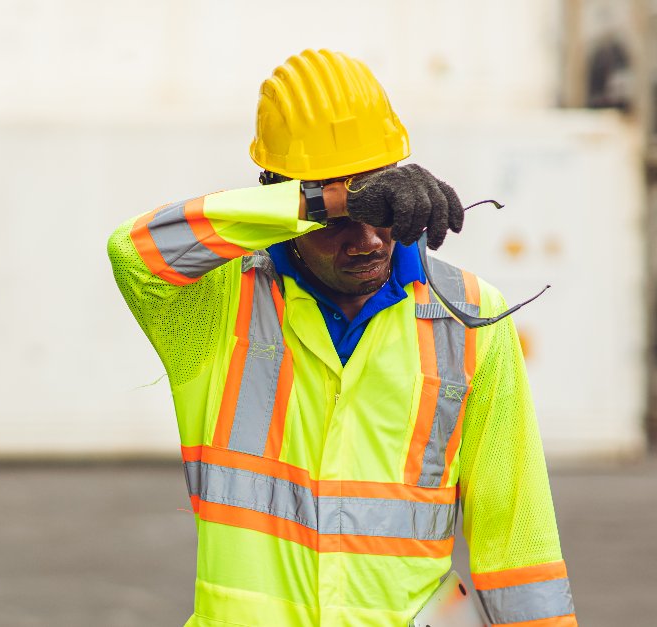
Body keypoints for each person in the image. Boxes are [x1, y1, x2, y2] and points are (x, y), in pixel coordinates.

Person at [107, 49, 577, 627]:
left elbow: (517, 536)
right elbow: (132, 251)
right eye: (339, 219)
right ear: (282, 200)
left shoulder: (471, 315)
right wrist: (323, 202)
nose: (368, 241)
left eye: (379, 205)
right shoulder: (219, 302)